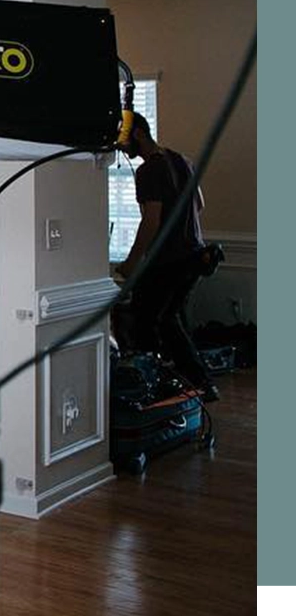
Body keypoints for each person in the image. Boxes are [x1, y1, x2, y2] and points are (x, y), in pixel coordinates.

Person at [113, 112, 217, 401]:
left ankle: (160, 382)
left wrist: (132, 263)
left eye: (122, 142)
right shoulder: (182, 160)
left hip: (169, 259)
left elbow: (151, 221)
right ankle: (193, 381)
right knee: (170, 317)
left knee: (147, 319)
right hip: (195, 254)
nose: (122, 149)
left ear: (136, 135)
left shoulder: (148, 171)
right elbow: (201, 205)